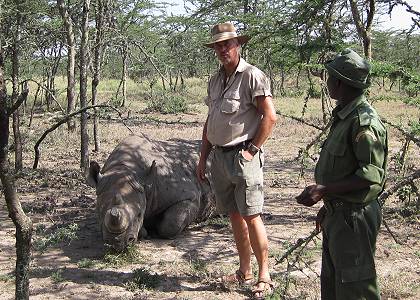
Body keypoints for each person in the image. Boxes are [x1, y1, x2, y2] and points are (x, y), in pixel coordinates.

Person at [296, 48, 388, 300]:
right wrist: (330, 206)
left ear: (339, 82)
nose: (327, 82)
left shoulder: (363, 122)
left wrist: (324, 191)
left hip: (354, 218)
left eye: (330, 77)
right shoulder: (345, 116)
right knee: (335, 285)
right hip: (340, 214)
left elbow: (370, 176)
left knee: (356, 288)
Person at [196, 22, 277, 299]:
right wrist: (203, 156)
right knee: (234, 215)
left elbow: (270, 117)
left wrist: (252, 150)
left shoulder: (253, 76)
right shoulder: (215, 79)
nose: (222, 49)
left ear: (237, 44)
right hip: (219, 158)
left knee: (252, 216)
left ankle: (264, 274)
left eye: (226, 44)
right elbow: (211, 121)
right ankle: (245, 270)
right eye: (218, 45)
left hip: (244, 157)